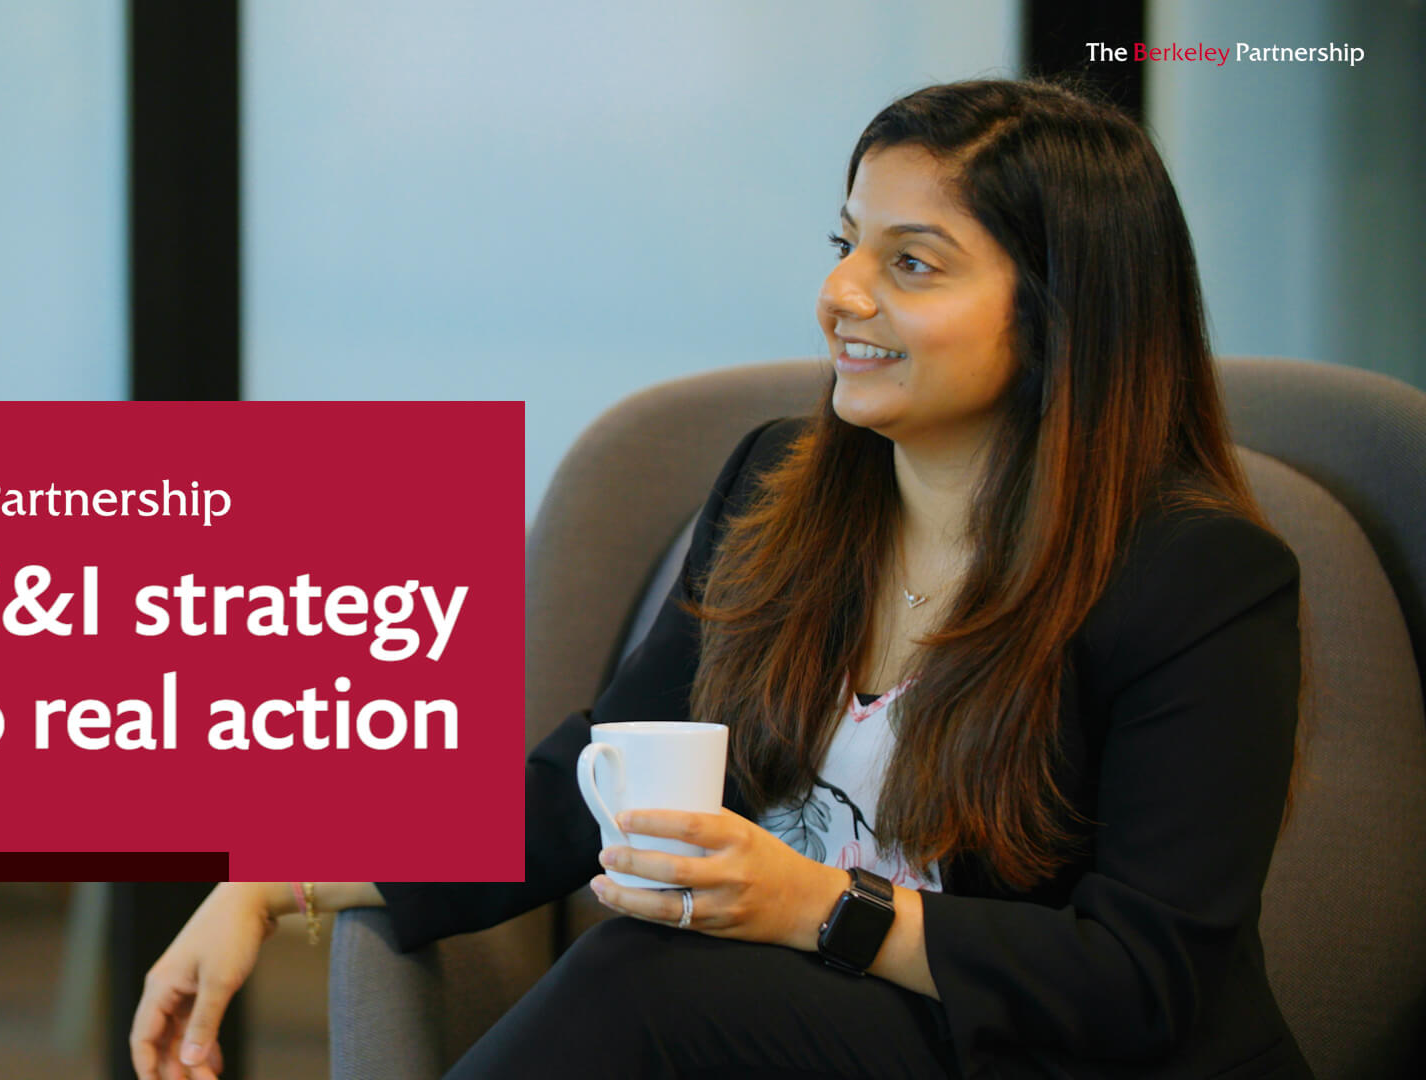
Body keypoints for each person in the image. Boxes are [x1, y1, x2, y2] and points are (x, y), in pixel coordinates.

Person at [129, 77, 1313, 1079]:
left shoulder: (1199, 580)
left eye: (913, 263)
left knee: (654, 977)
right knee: (658, 973)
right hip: (806, 1036)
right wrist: (279, 876)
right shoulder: (781, 488)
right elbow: (599, 770)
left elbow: (1146, 981)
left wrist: (814, 907)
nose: (844, 294)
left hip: (1054, 1055)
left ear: (1064, 317)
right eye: (847, 243)